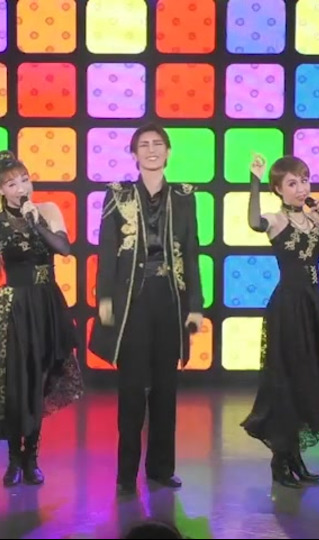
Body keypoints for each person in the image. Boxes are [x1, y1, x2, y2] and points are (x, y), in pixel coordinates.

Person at [88, 123, 204, 496]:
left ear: (168, 151)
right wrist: (105, 298)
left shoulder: (184, 196)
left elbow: (191, 251)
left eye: (158, 144)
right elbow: (107, 250)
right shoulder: (118, 195)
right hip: (132, 302)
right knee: (132, 389)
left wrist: (195, 305)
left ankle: (161, 469)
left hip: (169, 299)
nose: (151, 150)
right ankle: (126, 474)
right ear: (134, 154)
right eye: (144, 145)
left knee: (166, 389)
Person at [0, 150, 84, 487]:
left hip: (46, 304)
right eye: (11, 184)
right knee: (14, 384)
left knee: (39, 380)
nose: (21, 188)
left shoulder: (47, 210)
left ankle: (32, 457)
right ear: (0, 190)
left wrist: (35, 222)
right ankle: (14, 460)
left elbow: (64, 249)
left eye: (25, 180)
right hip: (14, 308)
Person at [239, 153, 319, 488]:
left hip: (314, 306)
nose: (301, 188)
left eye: (305, 180)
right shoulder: (276, 221)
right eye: (293, 183)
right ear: (278, 189)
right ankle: (280, 462)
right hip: (288, 308)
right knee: (286, 382)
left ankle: (296, 458)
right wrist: (254, 180)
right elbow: (253, 221)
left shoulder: (313, 220)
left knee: (310, 380)